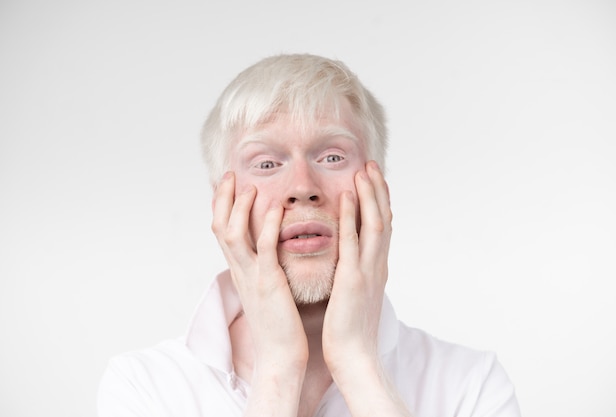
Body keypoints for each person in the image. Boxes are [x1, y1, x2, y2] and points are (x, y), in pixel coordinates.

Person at [97, 53, 522, 417]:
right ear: (222, 205)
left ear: (379, 192)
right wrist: (279, 366)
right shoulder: (143, 389)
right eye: (266, 163)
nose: (302, 186)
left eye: (332, 156)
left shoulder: (471, 385)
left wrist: (360, 365)